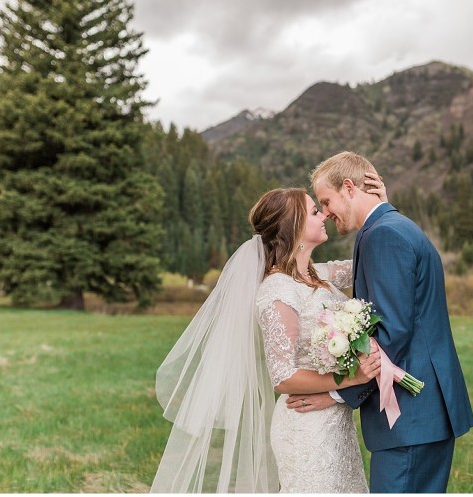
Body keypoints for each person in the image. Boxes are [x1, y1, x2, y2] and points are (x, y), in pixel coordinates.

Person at [150, 175, 387, 493]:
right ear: (295, 228)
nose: (325, 215)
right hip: (305, 429)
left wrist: (379, 205)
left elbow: (377, 255)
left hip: (333, 424)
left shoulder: (317, 274)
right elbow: (284, 377)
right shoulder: (277, 291)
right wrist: (352, 378)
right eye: (315, 212)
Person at [290, 151, 473, 493]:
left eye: (326, 201)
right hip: (426, 414)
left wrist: (337, 394)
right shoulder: (393, 226)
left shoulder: (382, 235)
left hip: (409, 417)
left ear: (349, 187)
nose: (326, 213)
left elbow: (391, 334)